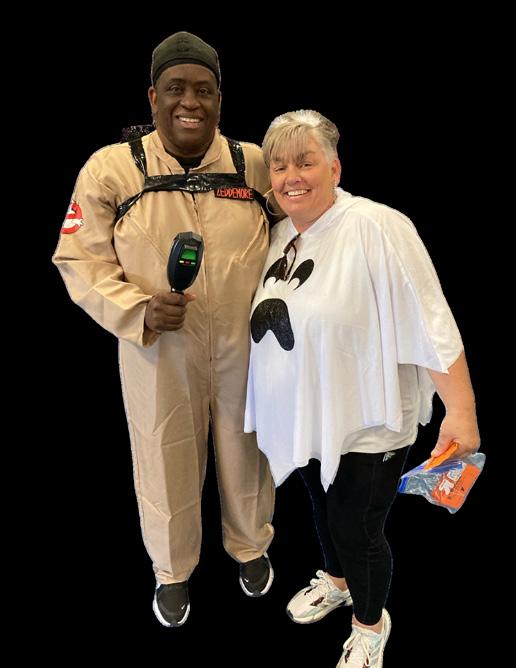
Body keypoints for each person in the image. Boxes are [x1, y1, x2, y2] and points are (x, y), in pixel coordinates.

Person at [53, 31, 276, 628]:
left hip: (247, 345)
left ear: (220, 99)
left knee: (248, 446)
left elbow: (303, 231)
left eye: (205, 90)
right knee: (163, 450)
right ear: (153, 97)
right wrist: (137, 309)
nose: (190, 102)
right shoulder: (112, 168)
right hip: (157, 347)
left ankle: (251, 545)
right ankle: (172, 569)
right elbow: (77, 259)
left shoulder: (253, 163)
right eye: (176, 89)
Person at [244, 110, 480, 667]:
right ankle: (337, 581)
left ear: (335, 167)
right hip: (311, 418)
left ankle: (370, 623)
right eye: (279, 166)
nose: (291, 177)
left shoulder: (376, 226)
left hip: (369, 421)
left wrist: (462, 411)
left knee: (357, 527)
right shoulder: (279, 235)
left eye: (305, 162)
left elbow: (431, 319)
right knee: (323, 509)